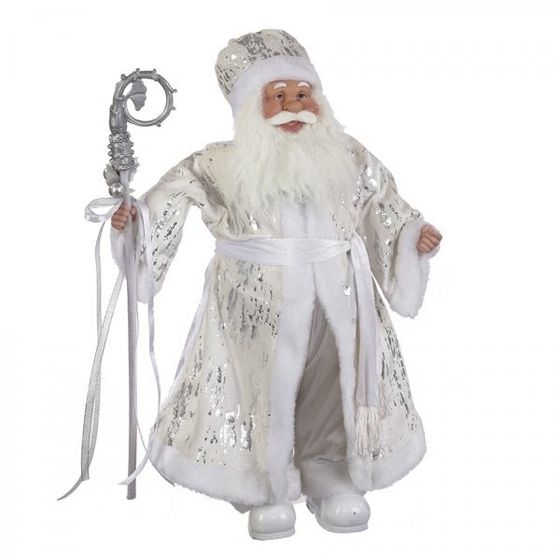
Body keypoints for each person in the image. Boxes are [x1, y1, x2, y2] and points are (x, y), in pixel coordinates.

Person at [110, 29, 442, 540]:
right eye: (278, 96)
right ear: (250, 106)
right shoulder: (220, 162)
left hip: (341, 297)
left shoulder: (349, 156)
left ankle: (332, 473)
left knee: (335, 380)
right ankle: (265, 483)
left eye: (303, 94)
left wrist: (412, 237)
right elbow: (168, 200)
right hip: (252, 303)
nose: (294, 107)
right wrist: (134, 223)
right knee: (259, 386)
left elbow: (384, 205)